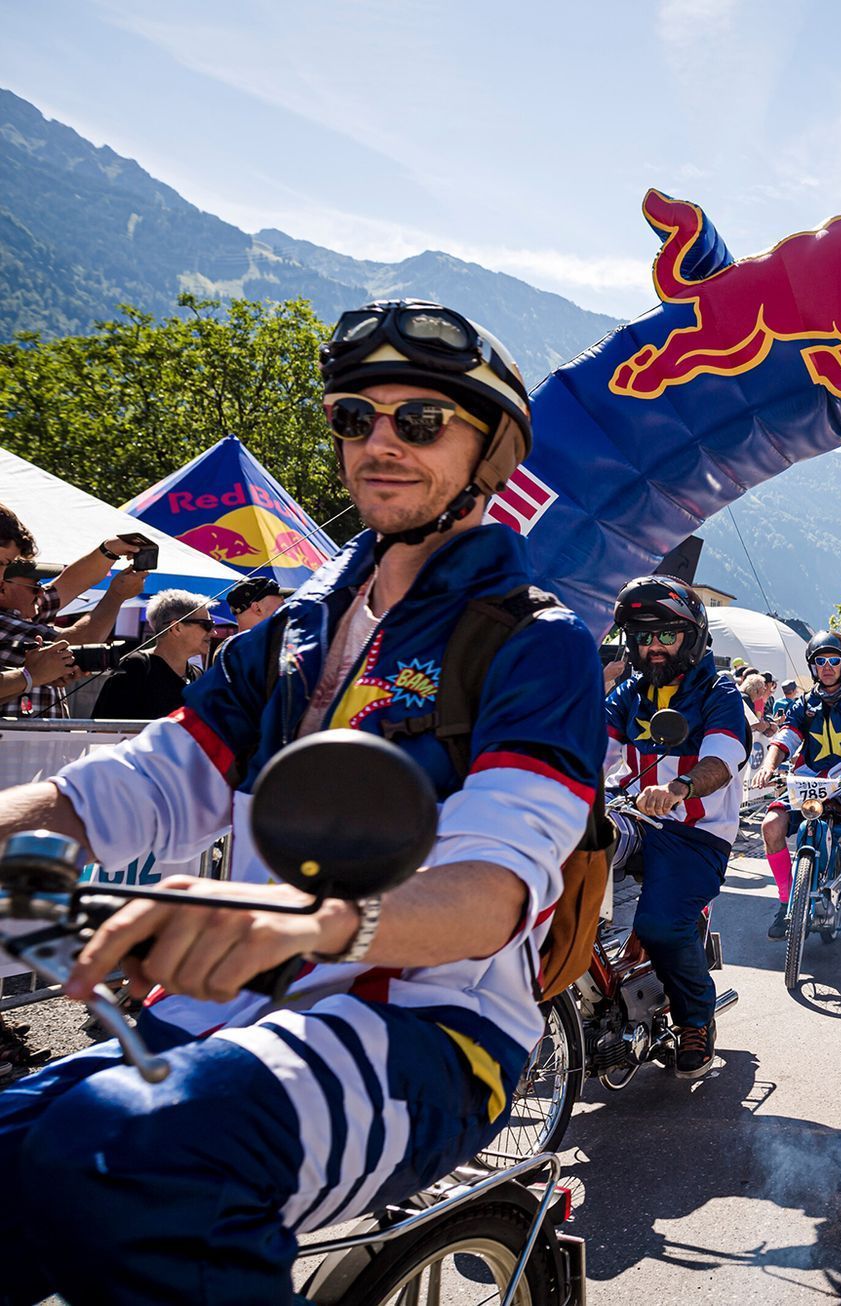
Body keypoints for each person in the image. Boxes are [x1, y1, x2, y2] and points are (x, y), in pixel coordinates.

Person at [0, 297, 604, 1302]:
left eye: (419, 422)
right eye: (353, 417)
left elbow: (492, 890)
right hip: (219, 1011)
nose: (380, 442)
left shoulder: (535, 640)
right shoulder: (292, 632)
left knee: (124, 1153)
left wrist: (308, 922)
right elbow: (142, 781)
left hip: (431, 1032)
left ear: (487, 451)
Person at [603, 574, 748, 1078]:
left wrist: (681, 788)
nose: (654, 646)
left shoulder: (719, 691)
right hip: (633, 821)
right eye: (643, 636)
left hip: (695, 833)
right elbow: (588, 751)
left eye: (666, 634)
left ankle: (695, 1020)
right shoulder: (628, 694)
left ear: (693, 636)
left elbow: (723, 759)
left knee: (660, 926)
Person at [755, 631, 841, 937]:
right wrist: (768, 765)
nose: (827, 666)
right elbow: (785, 738)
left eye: (834, 660)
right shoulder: (803, 704)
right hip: (807, 783)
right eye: (820, 661)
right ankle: (786, 903)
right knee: (770, 827)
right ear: (813, 667)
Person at [0, 531, 149, 716]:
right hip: (17, 744)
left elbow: (70, 582)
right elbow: (83, 641)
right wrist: (116, 595)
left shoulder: (24, 609)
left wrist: (110, 549)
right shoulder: (3, 622)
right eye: (35, 587)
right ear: (2, 588)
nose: (41, 592)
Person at [91, 589, 216, 721]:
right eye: (207, 625)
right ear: (176, 628)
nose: (213, 633)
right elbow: (106, 730)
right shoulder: (137, 667)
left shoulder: (197, 675)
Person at [226, 576, 292, 635]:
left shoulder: (233, 647)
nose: (286, 606)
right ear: (257, 608)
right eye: (281, 604)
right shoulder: (271, 645)